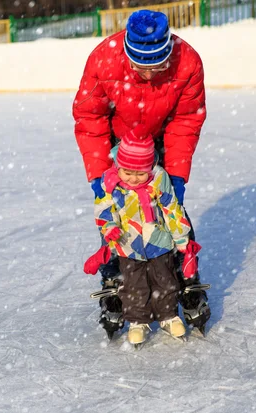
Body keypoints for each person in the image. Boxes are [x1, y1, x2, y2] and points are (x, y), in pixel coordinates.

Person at [72, 9, 210, 334]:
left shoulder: (187, 62)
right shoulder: (103, 60)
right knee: (115, 212)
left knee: (171, 209)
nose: (149, 76)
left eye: (157, 67)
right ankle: (117, 282)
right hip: (119, 142)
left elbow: (187, 119)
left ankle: (186, 279)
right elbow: (89, 118)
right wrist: (98, 173)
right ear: (127, 54)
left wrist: (174, 175)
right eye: (140, 68)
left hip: (159, 139)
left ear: (168, 54)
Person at [83, 129, 201, 345]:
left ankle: (168, 316)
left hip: (159, 242)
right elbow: (103, 209)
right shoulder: (111, 183)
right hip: (128, 245)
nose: (134, 178)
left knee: (166, 281)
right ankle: (138, 321)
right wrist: (109, 227)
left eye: (140, 173)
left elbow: (171, 209)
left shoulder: (159, 179)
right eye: (128, 172)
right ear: (119, 167)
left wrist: (182, 237)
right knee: (133, 285)